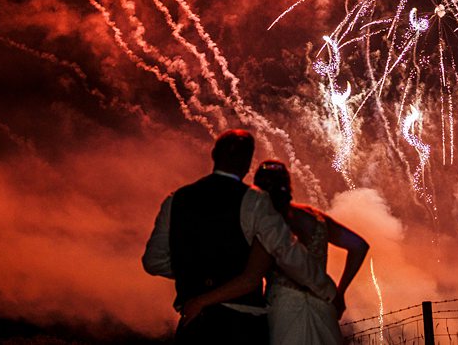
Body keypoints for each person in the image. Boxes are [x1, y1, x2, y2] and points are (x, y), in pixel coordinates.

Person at [142, 130, 337, 345]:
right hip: (241, 324)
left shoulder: (175, 199)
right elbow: (287, 251)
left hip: (194, 321)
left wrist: (195, 272)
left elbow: (153, 262)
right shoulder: (255, 201)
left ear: (214, 154)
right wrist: (326, 289)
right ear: (247, 162)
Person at [181, 159, 369, 345]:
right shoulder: (316, 218)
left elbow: (250, 277)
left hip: (283, 311)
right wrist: (340, 291)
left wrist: (201, 300)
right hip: (323, 306)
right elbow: (359, 246)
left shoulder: (267, 225)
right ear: (288, 185)